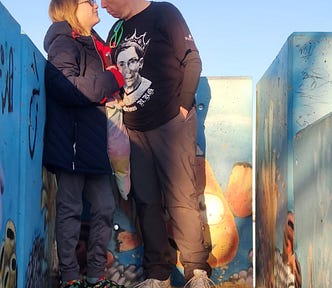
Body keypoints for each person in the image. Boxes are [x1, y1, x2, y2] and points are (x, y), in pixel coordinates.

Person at [101, 1, 216, 287]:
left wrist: (184, 106)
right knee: (146, 201)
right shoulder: (115, 31)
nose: (103, 5)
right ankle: (157, 275)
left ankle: (196, 273)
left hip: (170, 123)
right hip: (134, 132)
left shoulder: (164, 12)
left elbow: (192, 59)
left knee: (182, 197)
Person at [43, 0, 126, 287]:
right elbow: (66, 86)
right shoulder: (64, 41)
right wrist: (112, 79)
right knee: (69, 209)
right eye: (88, 1)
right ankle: (69, 278)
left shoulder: (97, 45)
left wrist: (113, 80)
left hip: (95, 142)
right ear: (70, 8)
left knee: (104, 207)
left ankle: (95, 276)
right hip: (72, 143)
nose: (95, 5)